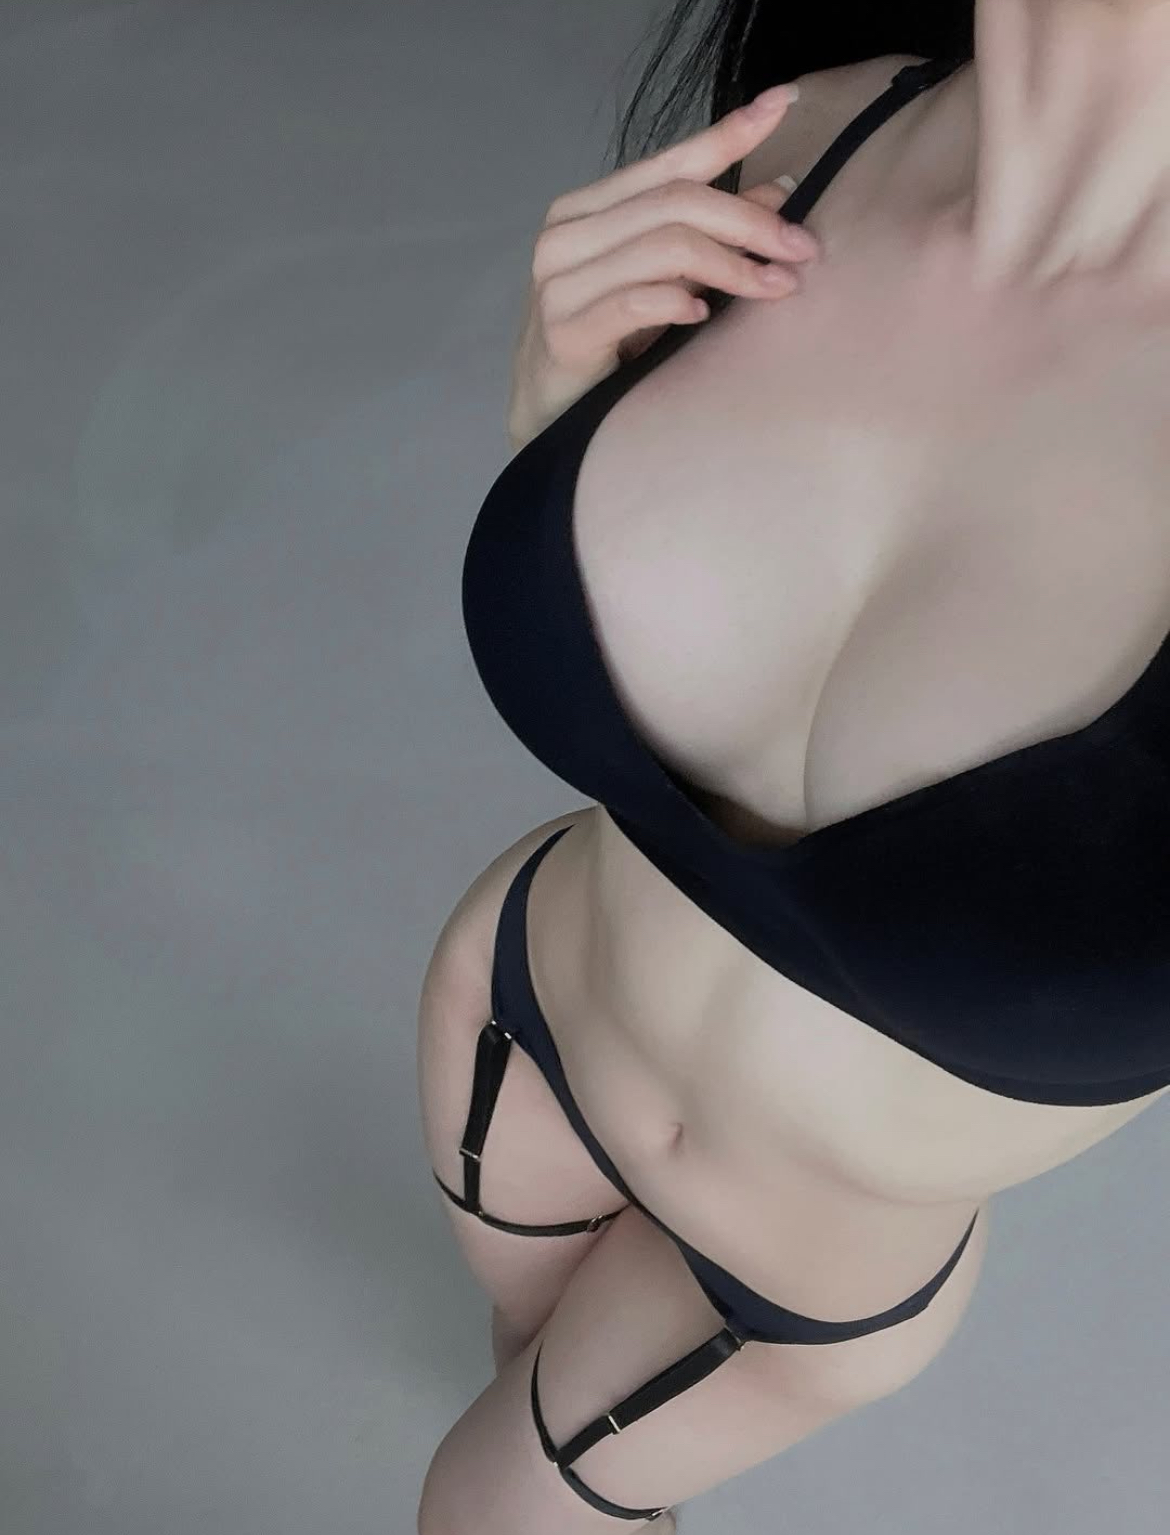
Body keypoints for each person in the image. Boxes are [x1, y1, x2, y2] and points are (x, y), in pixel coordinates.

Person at [417, 2, 1170, 1529]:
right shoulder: (796, 144)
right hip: (506, 1020)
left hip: (792, 1273)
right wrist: (556, 409)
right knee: (515, 1357)